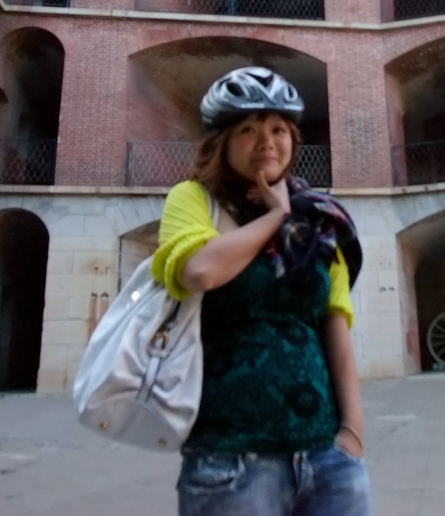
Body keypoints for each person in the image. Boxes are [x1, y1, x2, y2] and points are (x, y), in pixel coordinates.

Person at [152, 66, 370, 516]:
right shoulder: (193, 199)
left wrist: (352, 432)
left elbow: (334, 322)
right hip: (231, 459)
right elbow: (200, 272)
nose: (266, 141)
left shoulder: (320, 221)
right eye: (248, 130)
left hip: (328, 457)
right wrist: (275, 217)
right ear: (223, 142)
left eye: (277, 128)